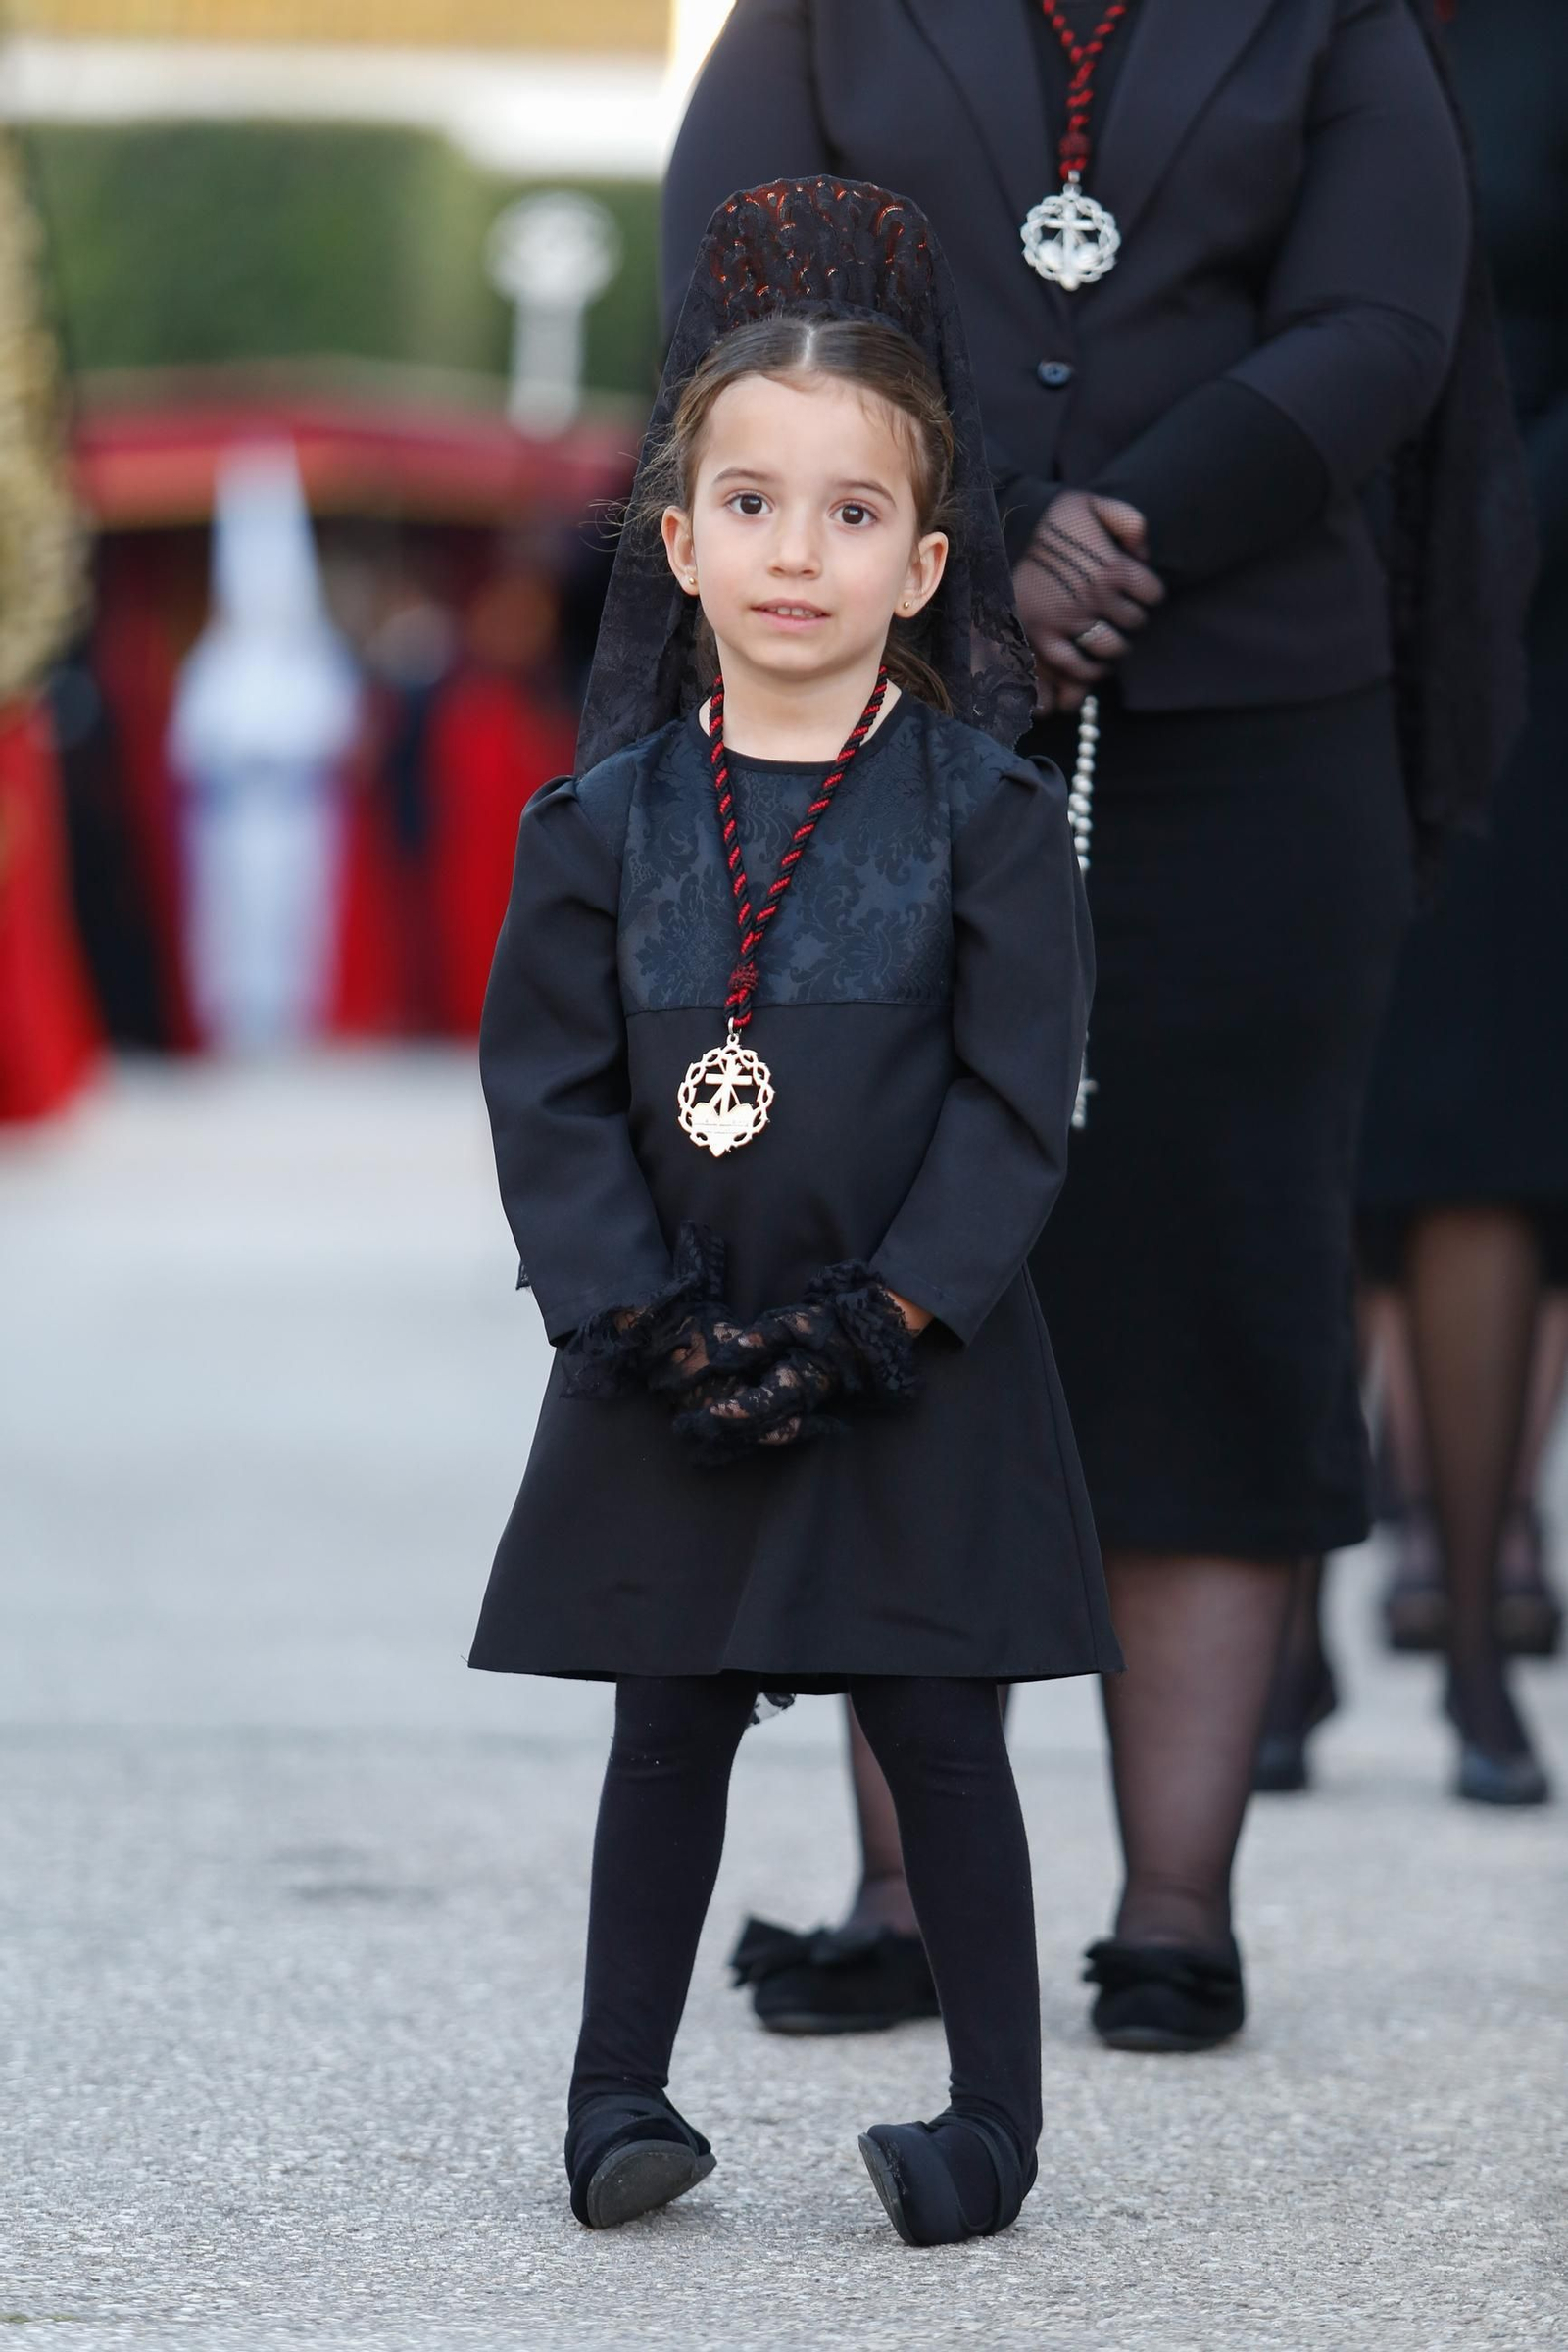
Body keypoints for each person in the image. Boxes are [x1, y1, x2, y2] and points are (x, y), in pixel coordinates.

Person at [666, 0, 1528, 2050]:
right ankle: (900, 1888)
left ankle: (1173, 1906)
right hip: (887, 706)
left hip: (1251, 717)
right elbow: (741, 272)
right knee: (891, 1281)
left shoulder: (1331, 23)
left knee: (1226, 1277)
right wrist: (991, 524)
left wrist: (1116, 529)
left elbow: (1375, 322)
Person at [467, 178, 1118, 2245]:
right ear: (676, 541)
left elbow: (1019, 1111)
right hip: (673, 1346)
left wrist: (883, 1320)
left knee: (940, 1731)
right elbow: (547, 1093)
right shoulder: (592, 828)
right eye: (748, 505)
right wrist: (636, 1317)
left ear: (926, 563)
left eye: (851, 517)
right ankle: (613, 2100)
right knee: (667, 1727)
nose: (793, 553)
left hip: (901, 1366)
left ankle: (989, 2124)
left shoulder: (993, 826)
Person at [1266, 0, 1568, 1806]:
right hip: (1281, 591)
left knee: (1470, 1132)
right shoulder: (1259, 32)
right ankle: (1276, 1638)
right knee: (1286, 1128)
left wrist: (1486, 544)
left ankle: (1470, 1643)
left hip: (1532, 628)